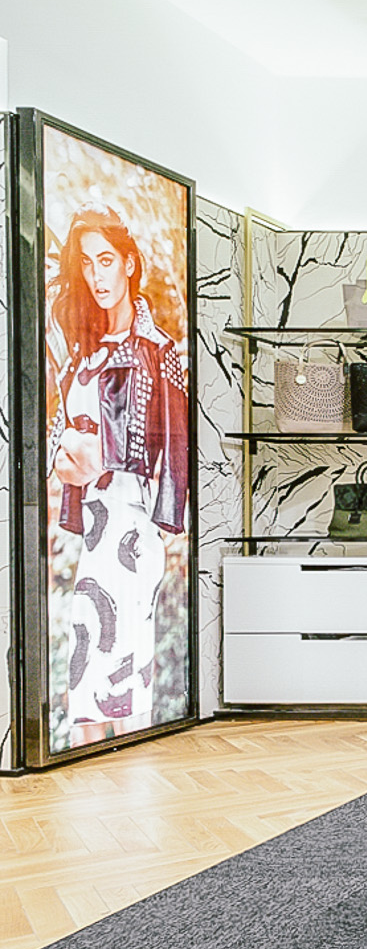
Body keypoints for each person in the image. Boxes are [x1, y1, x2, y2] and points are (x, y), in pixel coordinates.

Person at [48, 205, 190, 738]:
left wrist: (105, 457)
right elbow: (59, 427)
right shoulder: (80, 353)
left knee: (126, 662)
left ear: (128, 263)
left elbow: (174, 446)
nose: (96, 274)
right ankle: (91, 770)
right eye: (86, 263)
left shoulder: (157, 350)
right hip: (94, 525)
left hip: (134, 525)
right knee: (86, 658)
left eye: (105, 260)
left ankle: (135, 765)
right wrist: (63, 456)